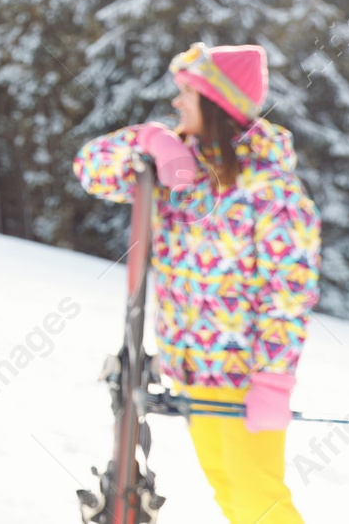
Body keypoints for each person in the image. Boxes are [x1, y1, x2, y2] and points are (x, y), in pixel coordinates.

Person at [74, 42, 321, 524]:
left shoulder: (271, 190)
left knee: (257, 501)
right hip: (191, 372)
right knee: (232, 496)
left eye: (186, 92)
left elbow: (288, 295)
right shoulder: (179, 175)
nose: (175, 102)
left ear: (216, 101)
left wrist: (273, 380)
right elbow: (90, 168)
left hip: (242, 379)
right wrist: (148, 140)